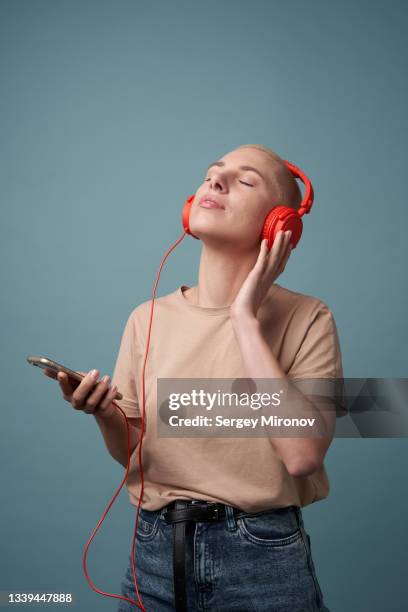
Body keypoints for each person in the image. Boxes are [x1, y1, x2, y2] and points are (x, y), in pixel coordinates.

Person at [44, 144, 343, 611]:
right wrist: (104, 414)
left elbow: (302, 455)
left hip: (261, 562)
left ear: (279, 226)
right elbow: (137, 455)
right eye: (211, 174)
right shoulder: (146, 319)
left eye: (245, 181)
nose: (215, 182)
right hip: (155, 557)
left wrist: (244, 318)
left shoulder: (309, 317)